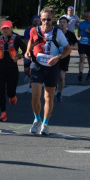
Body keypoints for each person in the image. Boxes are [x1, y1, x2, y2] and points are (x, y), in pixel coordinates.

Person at [25, 8, 70, 136]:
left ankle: (45, 123)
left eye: (48, 19)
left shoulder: (58, 33)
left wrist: (58, 58)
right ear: (40, 18)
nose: (45, 22)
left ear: (53, 19)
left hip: (52, 66)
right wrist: (28, 51)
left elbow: (67, 49)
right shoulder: (34, 30)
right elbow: (31, 41)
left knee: (48, 96)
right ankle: (37, 119)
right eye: (43, 19)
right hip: (37, 65)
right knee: (35, 95)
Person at [0, 19, 25, 123]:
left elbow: (26, 51)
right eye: (3, 28)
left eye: (7, 28)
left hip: (12, 69)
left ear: (11, 28)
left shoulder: (16, 39)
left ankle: (13, 96)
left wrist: (19, 57)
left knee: (10, 91)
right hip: (0, 68)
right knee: (0, 91)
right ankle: (3, 113)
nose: (5, 30)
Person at [55, 16, 79, 102]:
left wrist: (69, 47)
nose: (62, 24)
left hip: (65, 57)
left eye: (64, 22)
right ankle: (55, 86)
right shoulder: (55, 33)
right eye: (60, 22)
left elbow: (76, 46)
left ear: (67, 24)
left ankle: (59, 93)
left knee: (61, 77)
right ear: (58, 24)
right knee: (55, 76)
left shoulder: (70, 34)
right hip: (55, 56)